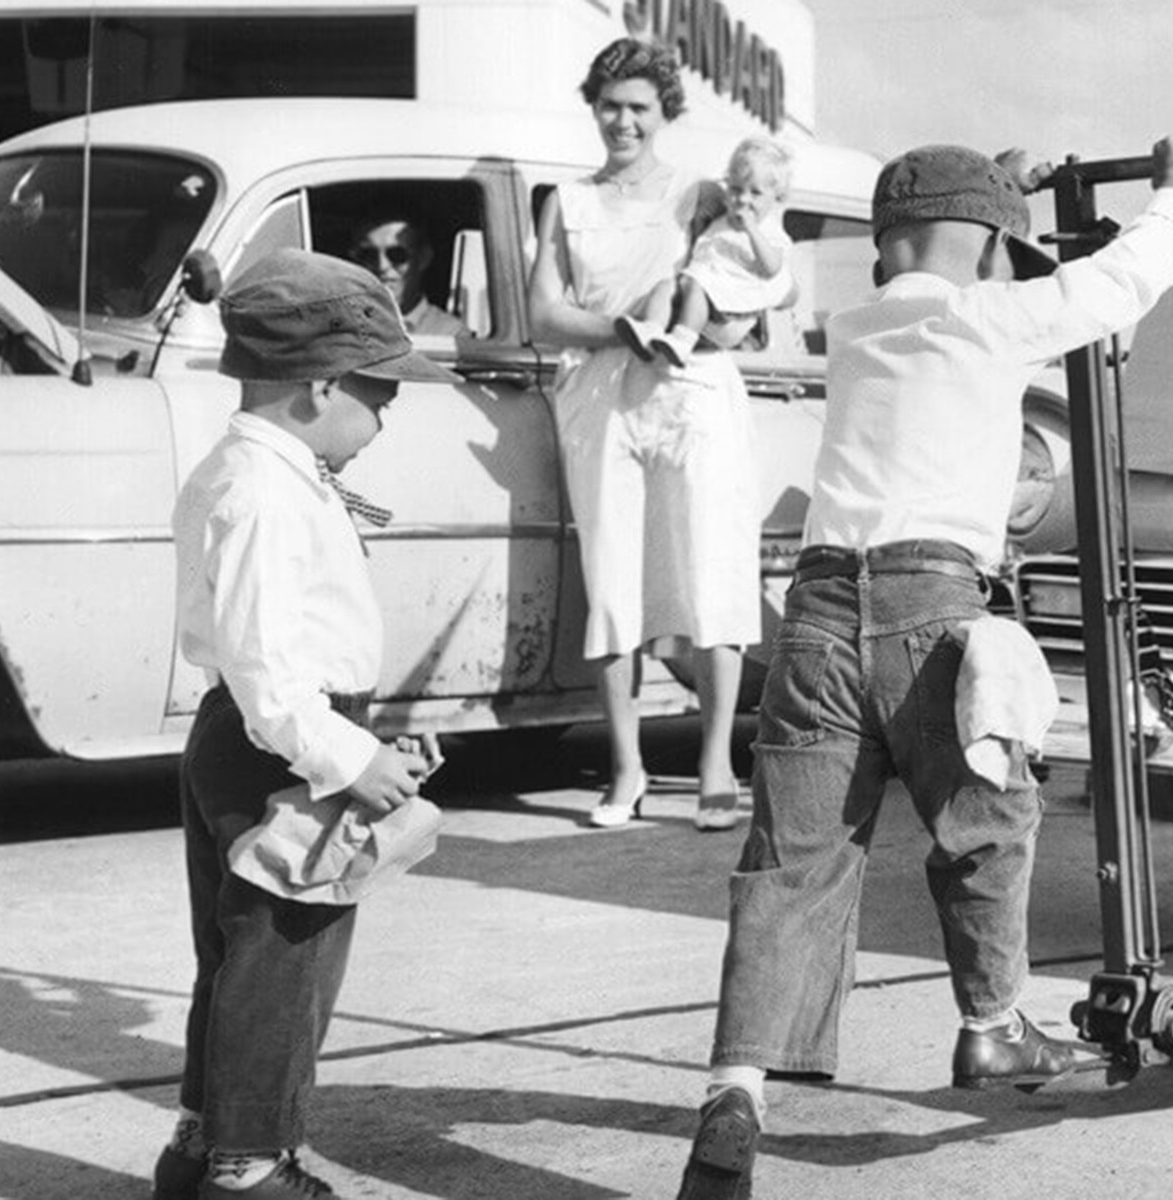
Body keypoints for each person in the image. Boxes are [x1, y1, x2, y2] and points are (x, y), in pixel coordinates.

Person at [674, 134, 1173, 1200]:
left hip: (821, 609)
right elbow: (1118, 284)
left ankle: (735, 1092)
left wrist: (994, 211)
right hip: (932, 605)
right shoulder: (991, 317)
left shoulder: (863, 326)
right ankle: (991, 1024)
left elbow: (943, 266)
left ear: (886, 247)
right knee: (990, 818)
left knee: (792, 866)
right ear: (989, 246)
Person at [154, 248, 457, 1199]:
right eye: (381, 396)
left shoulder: (259, 471)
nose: (384, 417)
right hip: (278, 749)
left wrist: (372, 741)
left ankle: (203, 1148)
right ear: (322, 384)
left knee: (235, 959)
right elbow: (270, 674)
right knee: (283, 963)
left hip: (262, 738)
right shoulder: (264, 493)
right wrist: (348, 757)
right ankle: (250, 1168)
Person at [528, 37, 763, 833]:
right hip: (601, 396)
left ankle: (716, 765)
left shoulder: (697, 195)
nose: (621, 121)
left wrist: (703, 326)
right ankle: (626, 769)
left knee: (710, 572)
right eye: (609, 105)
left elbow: (740, 298)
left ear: (665, 114)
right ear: (592, 106)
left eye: (638, 108)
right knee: (613, 576)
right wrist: (617, 330)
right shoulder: (568, 199)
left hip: (692, 397)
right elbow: (544, 312)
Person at [618, 135, 796, 367]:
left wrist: (752, 230)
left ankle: (683, 340)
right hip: (701, 286)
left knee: (697, 288)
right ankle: (650, 330)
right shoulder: (721, 220)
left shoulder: (769, 232)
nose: (742, 199)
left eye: (755, 193)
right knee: (666, 286)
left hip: (729, 302)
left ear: (778, 197)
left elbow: (771, 267)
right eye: (735, 189)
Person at [346, 216, 472, 338]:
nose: (382, 266)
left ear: (423, 258)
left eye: (397, 254)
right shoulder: (340, 328)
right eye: (369, 255)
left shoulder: (451, 334)